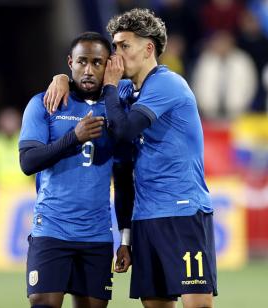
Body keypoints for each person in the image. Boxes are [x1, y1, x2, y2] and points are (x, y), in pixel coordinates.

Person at [44, 9, 217, 308]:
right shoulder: (127, 90)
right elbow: (87, 82)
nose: (115, 55)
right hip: (146, 216)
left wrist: (110, 86)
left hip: (182, 211)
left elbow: (123, 131)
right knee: (155, 304)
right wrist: (61, 78)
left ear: (148, 48)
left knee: (197, 305)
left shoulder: (167, 84)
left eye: (124, 45)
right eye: (115, 46)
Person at [19, 32, 134, 308]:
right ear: (70, 62)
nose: (89, 70)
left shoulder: (120, 106)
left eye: (98, 63)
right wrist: (74, 137)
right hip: (51, 229)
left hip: (96, 235)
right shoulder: (45, 103)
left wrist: (126, 239)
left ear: (109, 66)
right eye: (82, 62)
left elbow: (124, 181)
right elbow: (28, 162)